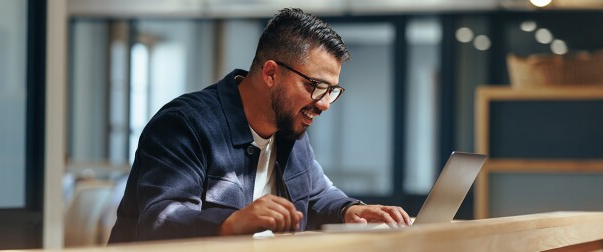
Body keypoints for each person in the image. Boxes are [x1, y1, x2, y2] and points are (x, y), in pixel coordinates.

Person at [108, 8, 411, 244]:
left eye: (331, 90)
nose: (324, 103)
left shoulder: (289, 129)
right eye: (316, 86)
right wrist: (231, 223)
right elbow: (160, 220)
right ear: (270, 74)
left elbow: (316, 195)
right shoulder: (185, 125)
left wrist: (350, 210)